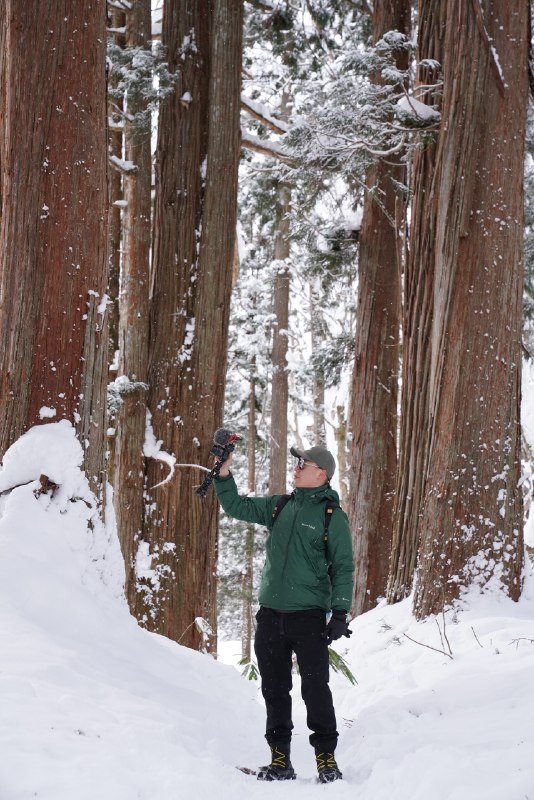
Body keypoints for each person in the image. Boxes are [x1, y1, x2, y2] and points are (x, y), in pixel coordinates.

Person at [214, 443, 354, 783]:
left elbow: (344, 567)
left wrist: (339, 613)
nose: (296, 467)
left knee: (315, 689)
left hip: (308, 618)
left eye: (302, 463)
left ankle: (326, 762)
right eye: (296, 462)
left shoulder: (331, 516)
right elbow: (235, 505)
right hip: (270, 617)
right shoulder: (280, 505)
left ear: (321, 473)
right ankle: (280, 761)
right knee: (274, 691)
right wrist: (223, 472)